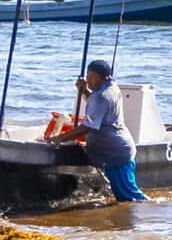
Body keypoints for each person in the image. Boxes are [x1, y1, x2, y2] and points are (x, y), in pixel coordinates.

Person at [57, 58, 147, 202]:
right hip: (116, 150)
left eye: (92, 77)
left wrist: (59, 138)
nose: (89, 80)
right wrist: (84, 90)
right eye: (88, 76)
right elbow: (96, 105)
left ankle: (150, 216)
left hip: (116, 154)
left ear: (104, 77)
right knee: (125, 196)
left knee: (130, 198)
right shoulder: (111, 87)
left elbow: (87, 126)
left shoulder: (102, 96)